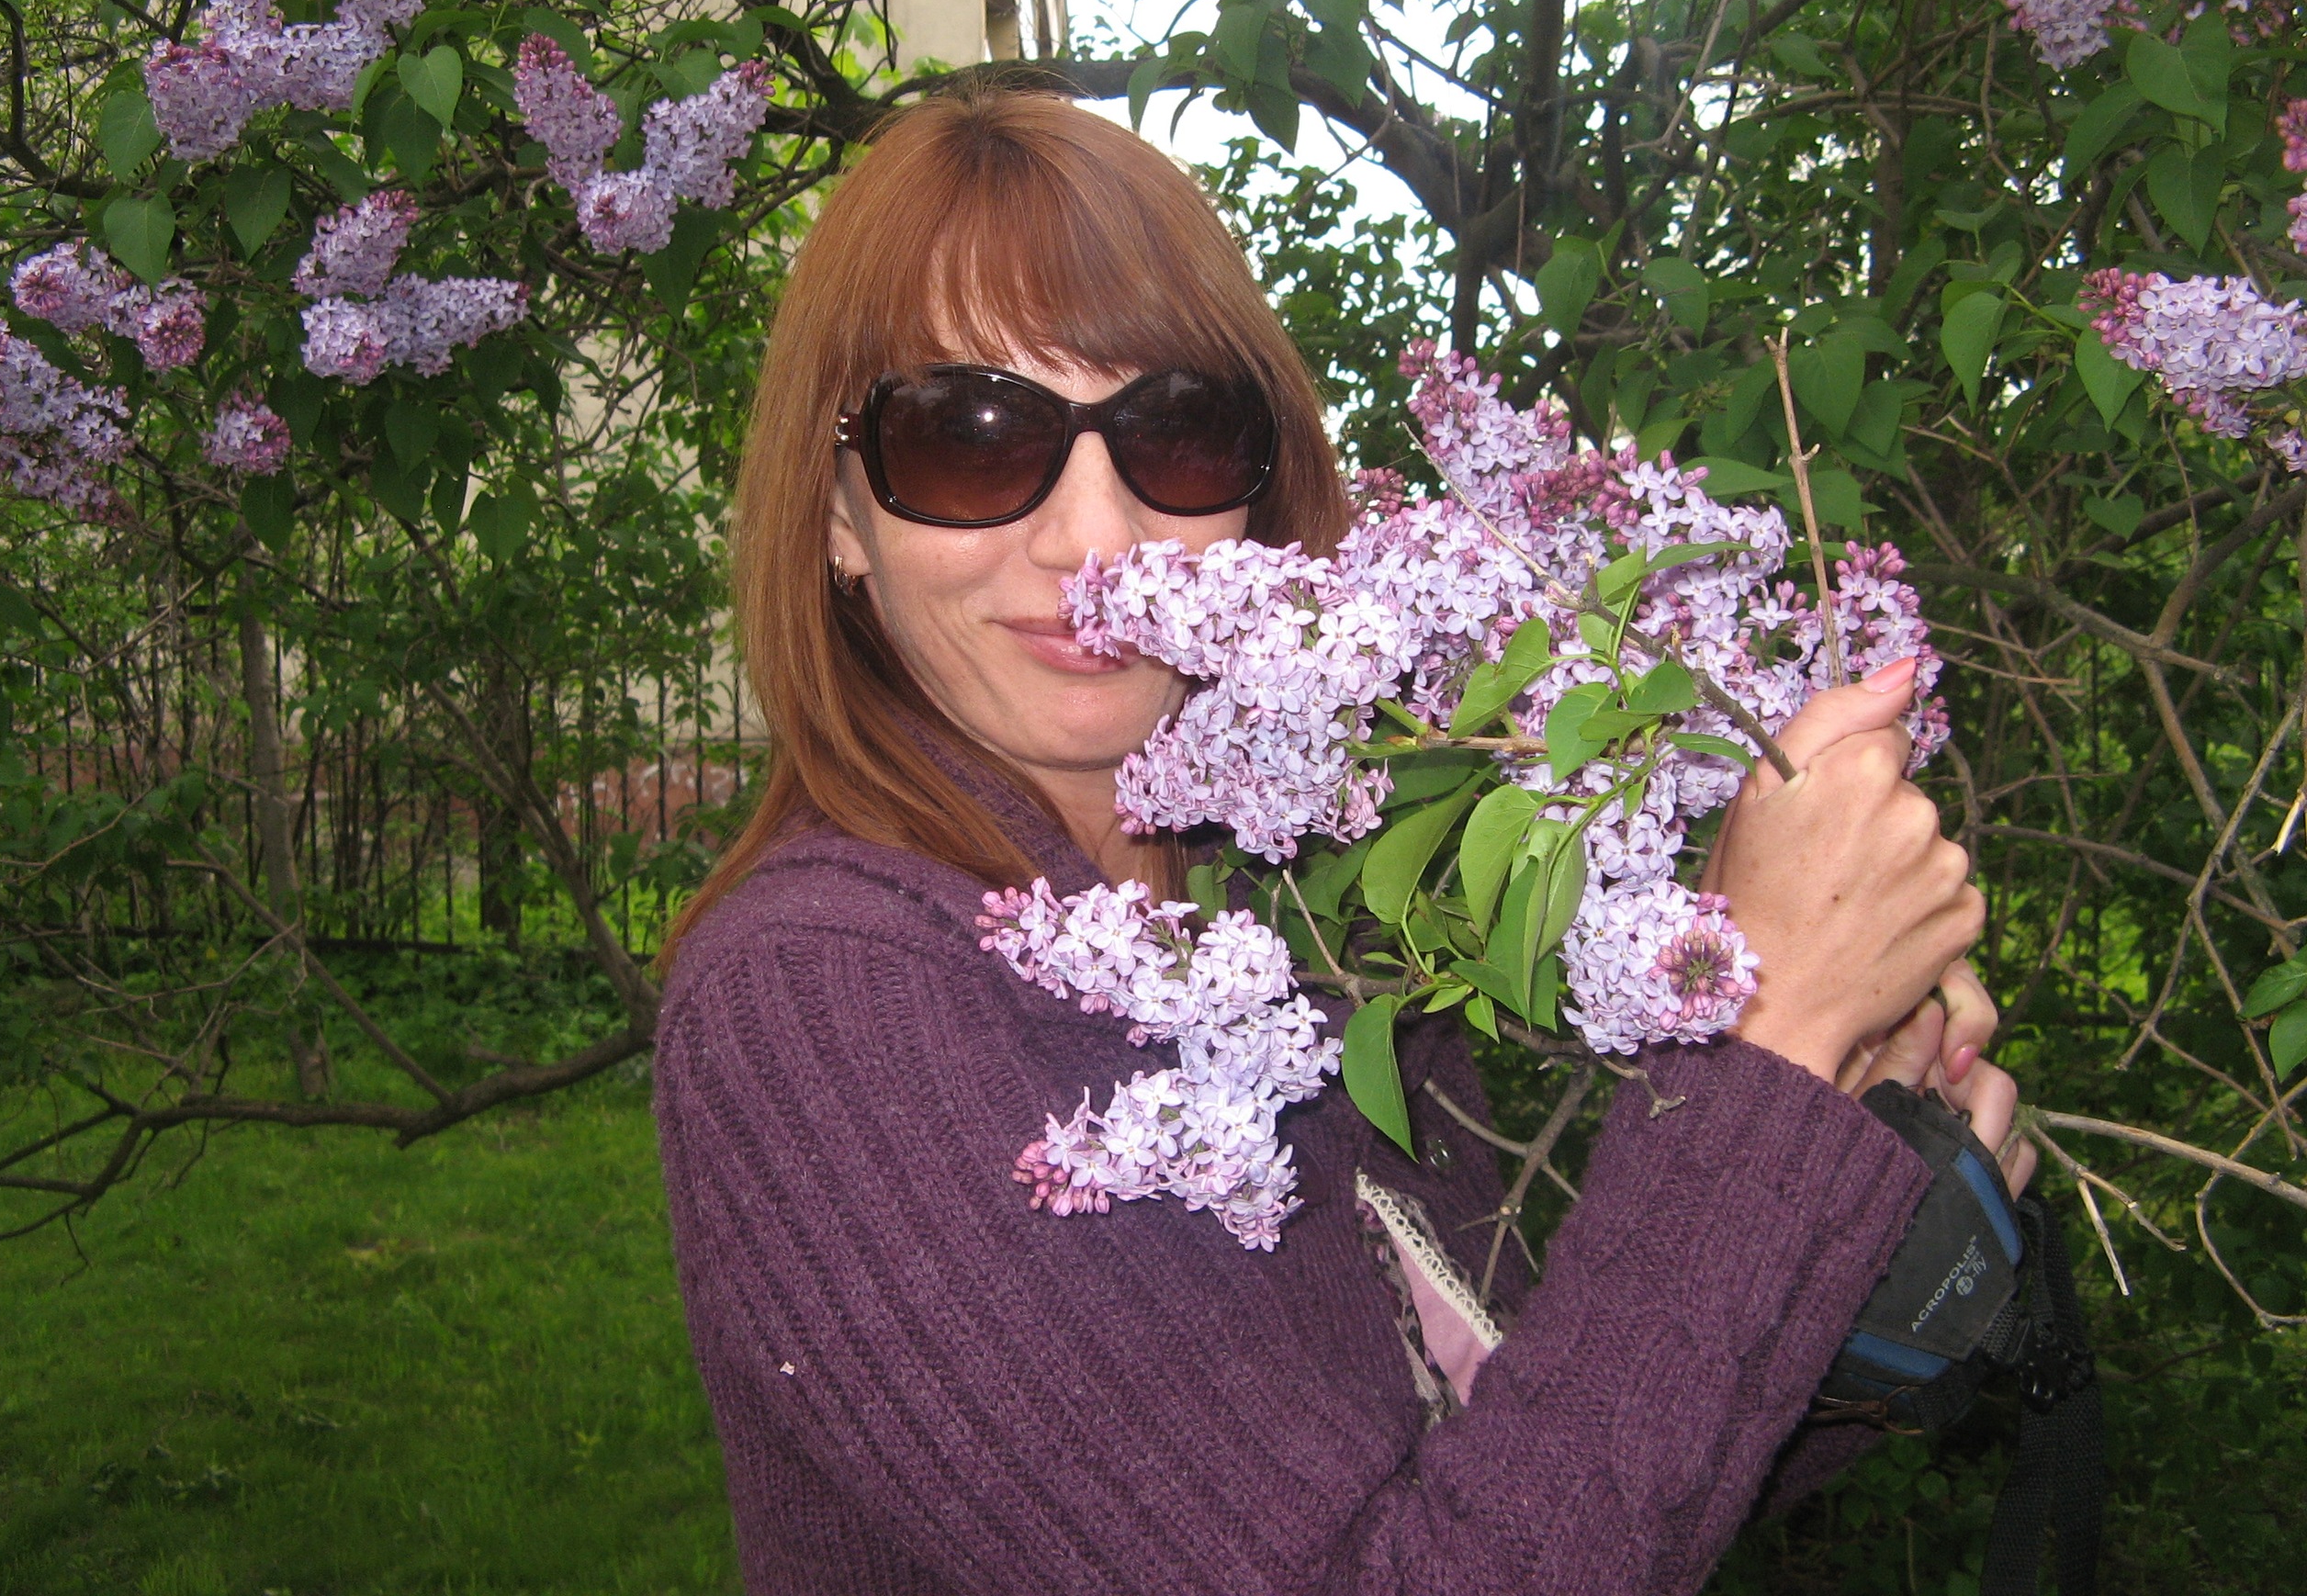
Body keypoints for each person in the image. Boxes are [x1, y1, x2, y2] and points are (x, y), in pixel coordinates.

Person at [652, 85, 2035, 1596]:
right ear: (837, 513)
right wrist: (1771, 1050)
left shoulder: (1307, 918)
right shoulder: (816, 1004)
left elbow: (1524, 1470)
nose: (1094, 543)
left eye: (1176, 433)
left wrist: (1846, 1245)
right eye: (971, 439)